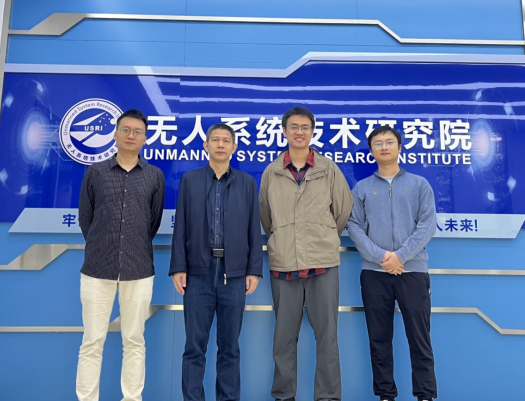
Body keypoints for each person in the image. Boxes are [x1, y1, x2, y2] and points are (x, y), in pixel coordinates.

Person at [259, 106, 353, 401]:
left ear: (312, 132)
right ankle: (283, 395)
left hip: (322, 264)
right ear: (284, 131)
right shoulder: (272, 172)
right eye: (294, 127)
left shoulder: (328, 169)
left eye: (305, 127)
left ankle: (328, 397)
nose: (299, 132)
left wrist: (322, 235)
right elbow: (266, 216)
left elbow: (343, 209)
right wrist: (284, 238)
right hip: (284, 264)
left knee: (327, 337)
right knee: (283, 338)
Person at [170, 123, 263, 401]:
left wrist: (253, 270)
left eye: (226, 140)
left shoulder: (246, 182)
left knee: (230, 347)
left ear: (234, 147)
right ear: (206, 145)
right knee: (194, 347)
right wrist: (178, 267)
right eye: (215, 140)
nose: (220, 144)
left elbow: (253, 228)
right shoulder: (190, 180)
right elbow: (181, 226)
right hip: (198, 273)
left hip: (234, 274)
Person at [77, 109, 165, 401]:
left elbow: (152, 222)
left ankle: (132, 398)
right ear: (115, 134)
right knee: (92, 341)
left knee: (134, 340)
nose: (131, 136)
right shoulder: (96, 172)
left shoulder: (154, 176)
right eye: (125, 130)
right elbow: (86, 219)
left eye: (138, 132)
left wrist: (132, 245)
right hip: (97, 269)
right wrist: (103, 245)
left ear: (145, 138)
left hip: (138, 269)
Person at [347, 125, 438, 401]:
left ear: (399, 147)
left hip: (413, 272)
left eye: (389, 142)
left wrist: (401, 256)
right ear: (371, 150)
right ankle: (386, 394)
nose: (384, 147)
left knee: (419, 338)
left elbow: (427, 225)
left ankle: (425, 395)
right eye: (378, 143)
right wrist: (382, 257)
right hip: (374, 274)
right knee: (379, 339)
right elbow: (354, 226)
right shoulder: (362, 188)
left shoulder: (419, 184)